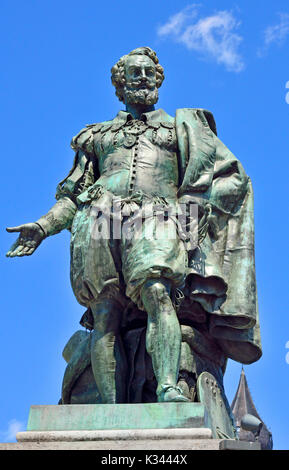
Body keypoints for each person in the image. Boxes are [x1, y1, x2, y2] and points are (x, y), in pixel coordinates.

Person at [6, 47, 262, 404]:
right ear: (119, 85)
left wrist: (193, 211)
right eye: (134, 73)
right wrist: (44, 226)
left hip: (158, 217)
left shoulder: (181, 129)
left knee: (159, 293)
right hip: (98, 221)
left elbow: (231, 177)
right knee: (104, 315)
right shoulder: (95, 136)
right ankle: (109, 411)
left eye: (148, 73)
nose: (142, 78)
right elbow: (74, 195)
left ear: (158, 80)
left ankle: (168, 387)